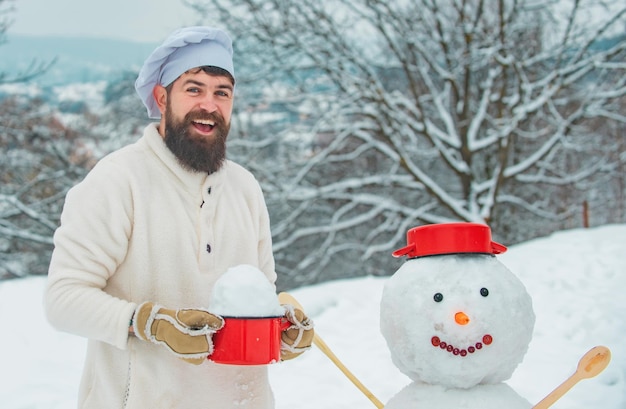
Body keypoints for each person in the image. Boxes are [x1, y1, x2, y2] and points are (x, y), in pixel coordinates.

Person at [45, 26, 314, 409]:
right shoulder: (118, 180)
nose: (209, 104)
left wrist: (280, 329)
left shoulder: (245, 188)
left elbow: (260, 293)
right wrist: (148, 323)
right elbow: (63, 299)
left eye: (222, 92)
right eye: (194, 88)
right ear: (161, 97)